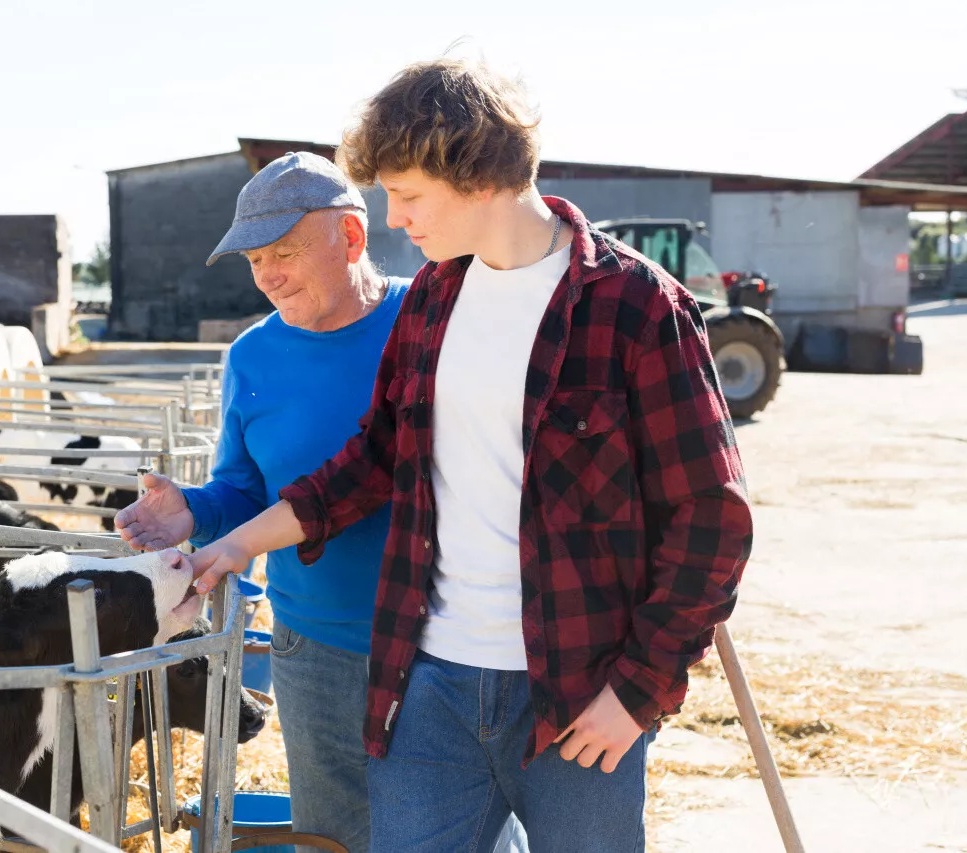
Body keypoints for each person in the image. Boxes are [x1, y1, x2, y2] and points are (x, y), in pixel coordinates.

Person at [185, 58, 754, 853]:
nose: (393, 216)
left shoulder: (637, 305)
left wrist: (638, 690)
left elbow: (711, 519)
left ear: (480, 173)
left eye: (409, 194)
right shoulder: (432, 302)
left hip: (575, 687)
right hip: (427, 683)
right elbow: (373, 461)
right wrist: (232, 546)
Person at [114, 150, 527, 852]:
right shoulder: (252, 356)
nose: (267, 276)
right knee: (337, 834)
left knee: (474, 838)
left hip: (450, 641)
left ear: (353, 238)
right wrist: (196, 509)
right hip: (316, 647)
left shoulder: (431, 318)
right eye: (253, 261)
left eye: (284, 252)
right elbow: (247, 488)